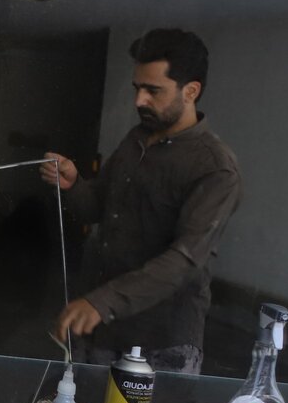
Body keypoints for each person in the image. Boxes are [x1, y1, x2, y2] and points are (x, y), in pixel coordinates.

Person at [40, 28, 241, 375]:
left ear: (191, 91)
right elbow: (96, 208)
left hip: (160, 343)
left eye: (153, 90)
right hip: (100, 329)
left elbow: (184, 260)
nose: (139, 101)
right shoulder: (137, 139)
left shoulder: (215, 169)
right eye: (137, 88)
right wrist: (73, 185)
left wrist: (102, 303)